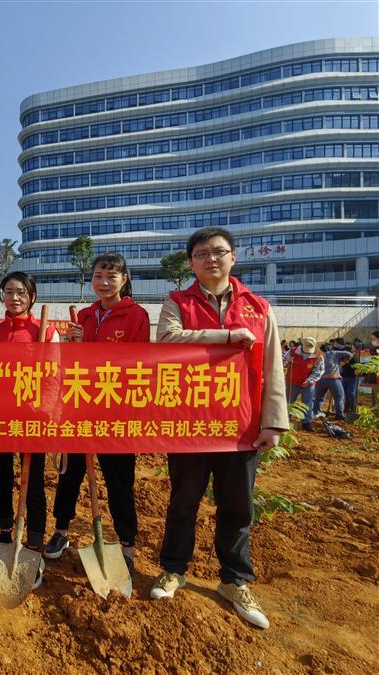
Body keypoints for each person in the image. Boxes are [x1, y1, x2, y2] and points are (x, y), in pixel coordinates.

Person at [151, 227, 287, 630]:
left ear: (233, 257)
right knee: (183, 502)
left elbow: (272, 367)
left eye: (218, 252)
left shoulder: (258, 307)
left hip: (240, 426)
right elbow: (167, 340)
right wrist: (228, 337)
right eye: (202, 254)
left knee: (238, 506)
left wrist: (273, 421)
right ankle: (173, 570)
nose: (211, 259)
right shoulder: (177, 302)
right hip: (189, 425)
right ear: (191, 262)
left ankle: (234, 581)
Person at [45, 254, 148, 576]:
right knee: (70, 473)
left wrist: (89, 347)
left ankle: (127, 545)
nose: (103, 282)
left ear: (124, 279)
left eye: (111, 276)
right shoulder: (84, 316)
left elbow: (137, 363)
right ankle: (61, 530)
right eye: (98, 276)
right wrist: (75, 344)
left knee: (119, 480)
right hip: (79, 408)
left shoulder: (136, 316)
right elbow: (72, 365)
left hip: (116, 411)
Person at [0, 271, 57, 589]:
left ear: (32, 297)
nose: (14, 298)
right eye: (9, 291)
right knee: (1, 477)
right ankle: (4, 533)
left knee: (32, 479)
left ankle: (34, 538)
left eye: (21, 292)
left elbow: (54, 374)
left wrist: (45, 407)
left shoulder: (44, 331)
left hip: (32, 416)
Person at [283, 337, 323, 431]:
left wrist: (309, 381)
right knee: (288, 401)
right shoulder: (292, 352)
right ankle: (285, 420)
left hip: (308, 383)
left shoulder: (318, 356)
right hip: (292, 381)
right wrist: (288, 362)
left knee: (307, 402)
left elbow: (318, 371)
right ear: (302, 345)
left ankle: (306, 422)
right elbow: (282, 361)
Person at [312, 343, 353, 421]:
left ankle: (316, 412)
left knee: (319, 398)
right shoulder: (333, 353)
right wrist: (345, 361)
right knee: (339, 397)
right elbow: (349, 353)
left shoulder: (319, 355)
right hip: (333, 379)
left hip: (321, 380)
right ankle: (339, 415)